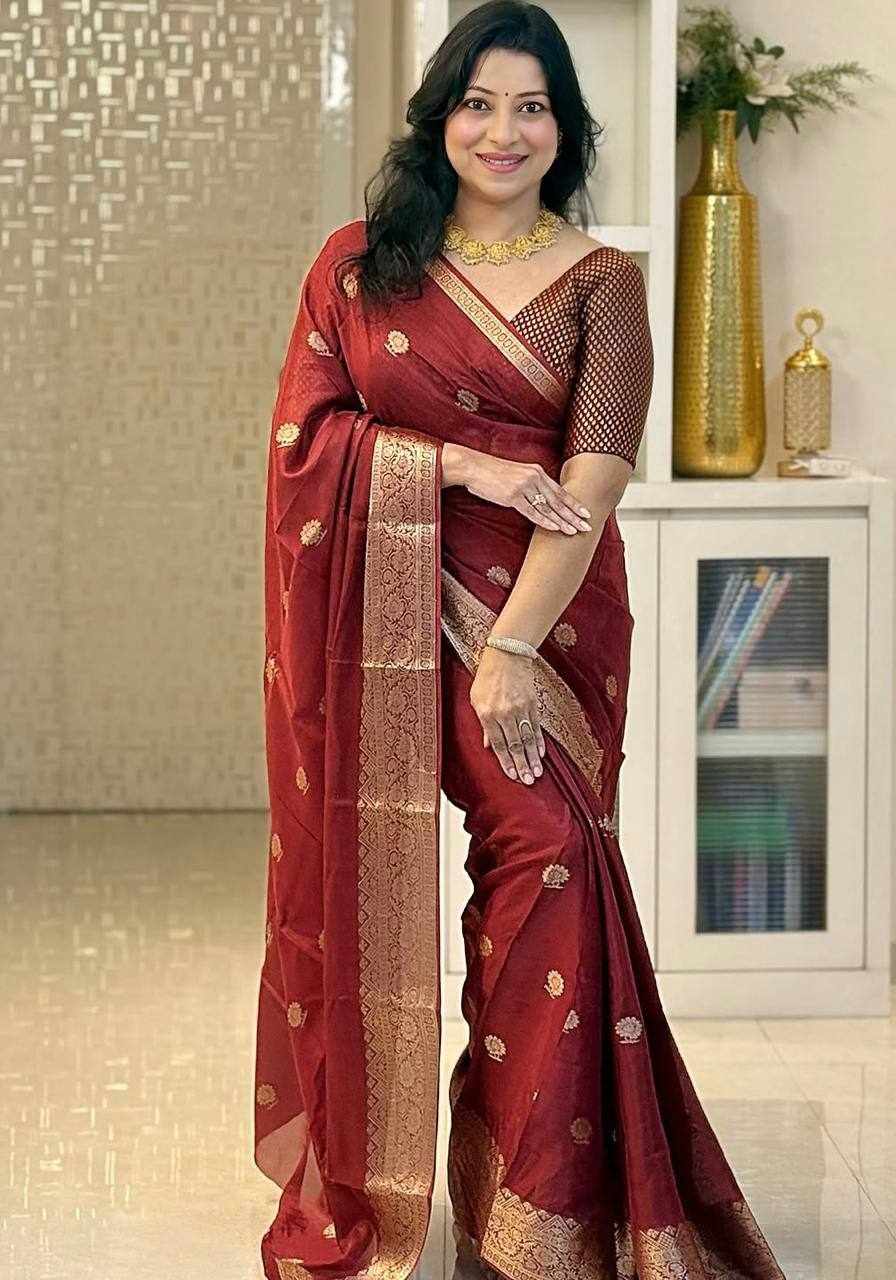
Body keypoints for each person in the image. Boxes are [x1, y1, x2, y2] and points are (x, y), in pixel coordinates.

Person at [253, 4, 786, 1278]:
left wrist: (509, 652)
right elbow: (303, 448)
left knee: (550, 855)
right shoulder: (359, 269)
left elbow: (590, 484)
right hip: (377, 623)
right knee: (395, 875)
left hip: (544, 623)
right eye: (479, 104)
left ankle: (531, 1203)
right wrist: (462, 466)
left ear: (566, 129)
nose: (503, 132)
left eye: (532, 107)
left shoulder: (605, 283)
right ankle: (395, 1183)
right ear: (441, 119)